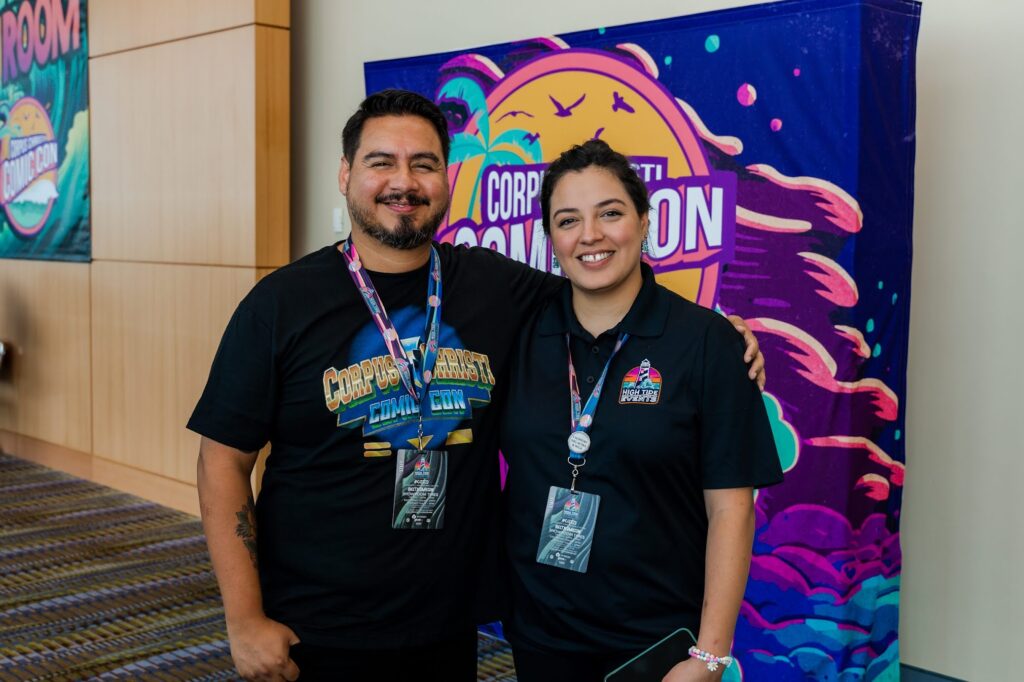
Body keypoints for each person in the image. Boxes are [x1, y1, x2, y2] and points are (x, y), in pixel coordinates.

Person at [188, 90, 766, 682]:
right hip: (317, 626)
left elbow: (603, 282)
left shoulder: (494, 289)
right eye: (381, 161)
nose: (403, 182)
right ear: (345, 174)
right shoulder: (280, 306)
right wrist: (243, 617)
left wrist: (718, 332)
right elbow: (221, 462)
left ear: (446, 180)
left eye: (424, 164)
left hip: (448, 623)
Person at [499, 139, 784, 682]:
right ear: (550, 237)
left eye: (610, 213)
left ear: (644, 220)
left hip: (654, 645)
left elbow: (732, 510)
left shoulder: (707, 343)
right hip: (538, 633)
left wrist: (709, 655)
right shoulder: (518, 331)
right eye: (568, 220)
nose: (590, 235)